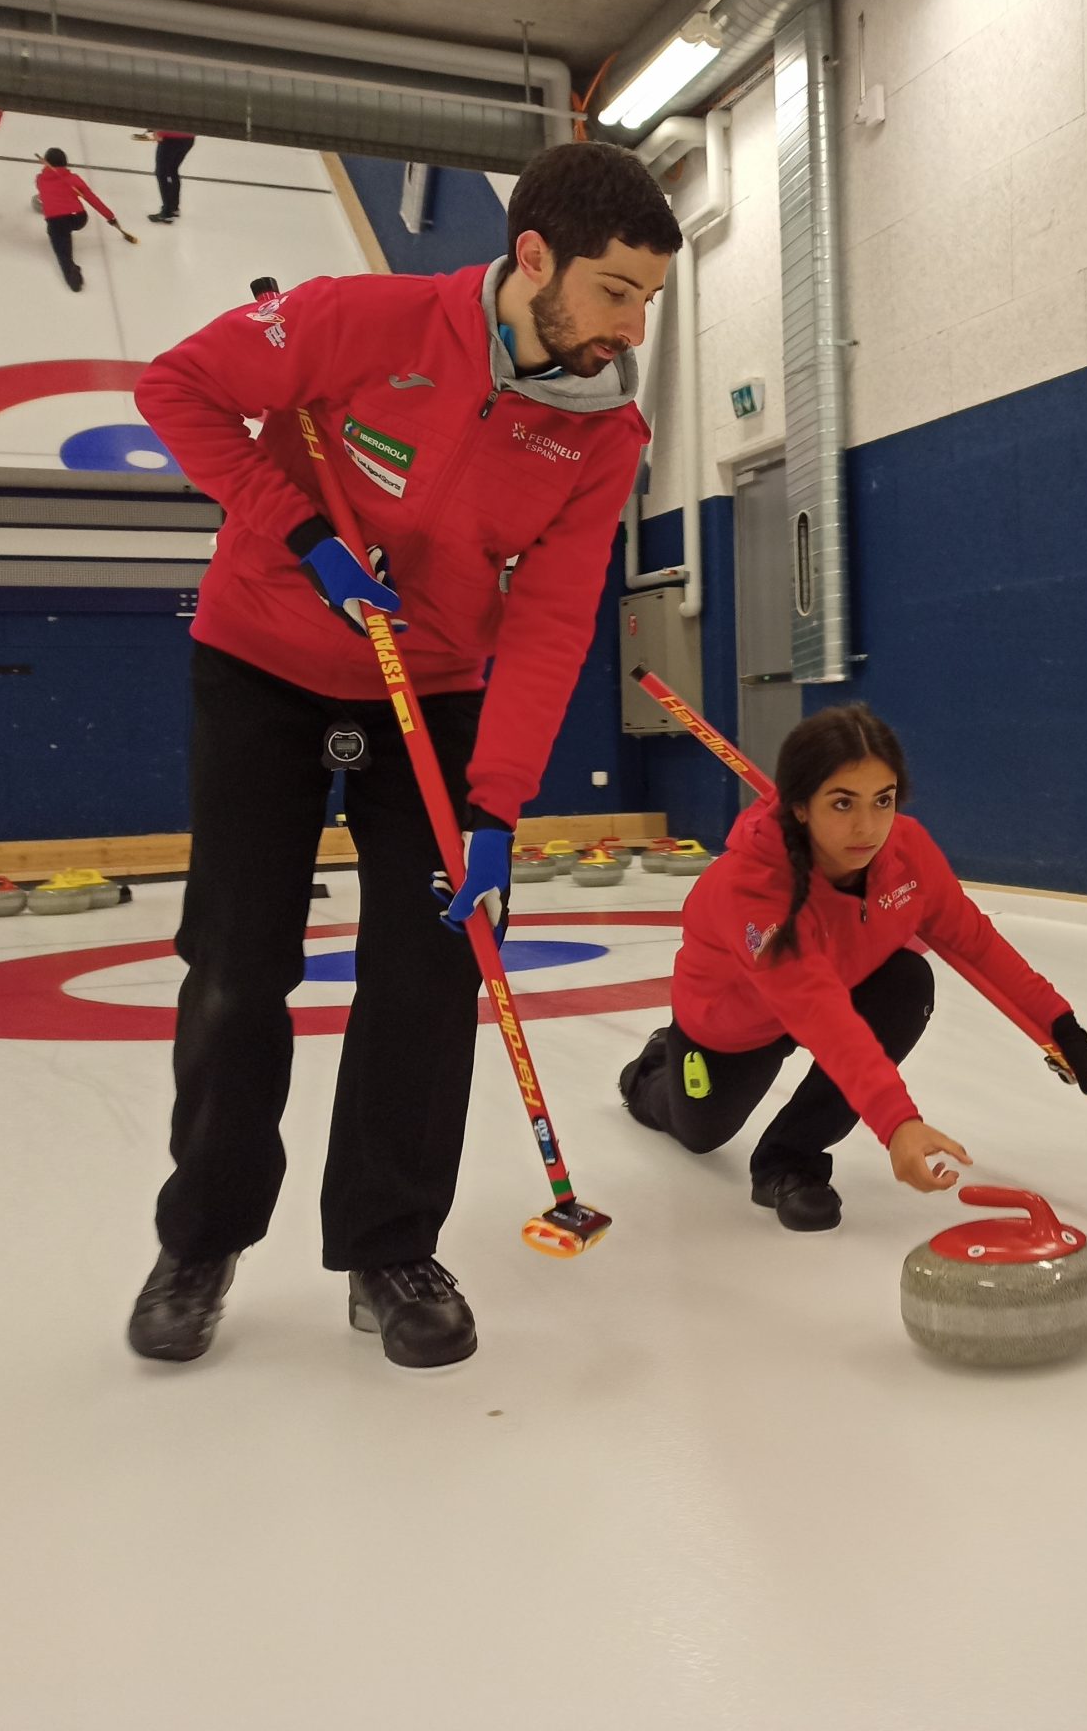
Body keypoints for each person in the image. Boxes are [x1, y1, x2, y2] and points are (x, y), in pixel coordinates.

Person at [125, 141, 682, 1368]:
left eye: (648, 298)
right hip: (263, 659)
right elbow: (176, 390)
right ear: (532, 256)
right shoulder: (361, 319)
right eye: (614, 292)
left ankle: (387, 1246)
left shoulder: (602, 432)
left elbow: (547, 623)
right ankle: (202, 1237)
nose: (631, 328)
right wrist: (301, 533)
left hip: (431, 690)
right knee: (237, 962)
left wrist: (497, 813)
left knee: (434, 966)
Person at [619, 705, 1087, 1233]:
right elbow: (818, 1012)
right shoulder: (752, 890)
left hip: (838, 987)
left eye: (882, 800)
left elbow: (975, 943)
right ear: (799, 807)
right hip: (734, 1026)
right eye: (842, 803)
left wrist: (1059, 1023)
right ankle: (652, 1068)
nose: (868, 827)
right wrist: (898, 1122)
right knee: (699, 1133)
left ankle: (790, 1160)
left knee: (907, 983)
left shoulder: (905, 851)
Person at [34, 148, 124, 292]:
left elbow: (45, 191)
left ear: (46, 162)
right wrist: (110, 217)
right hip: (78, 218)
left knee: (62, 252)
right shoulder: (73, 179)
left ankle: (71, 275)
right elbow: (92, 199)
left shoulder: (40, 179)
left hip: (56, 221)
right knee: (62, 229)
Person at [137, 129, 196, 223]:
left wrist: (158, 131)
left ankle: (167, 212)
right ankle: (174, 208)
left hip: (170, 138)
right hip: (188, 137)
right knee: (173, 170)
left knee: (161, 173)